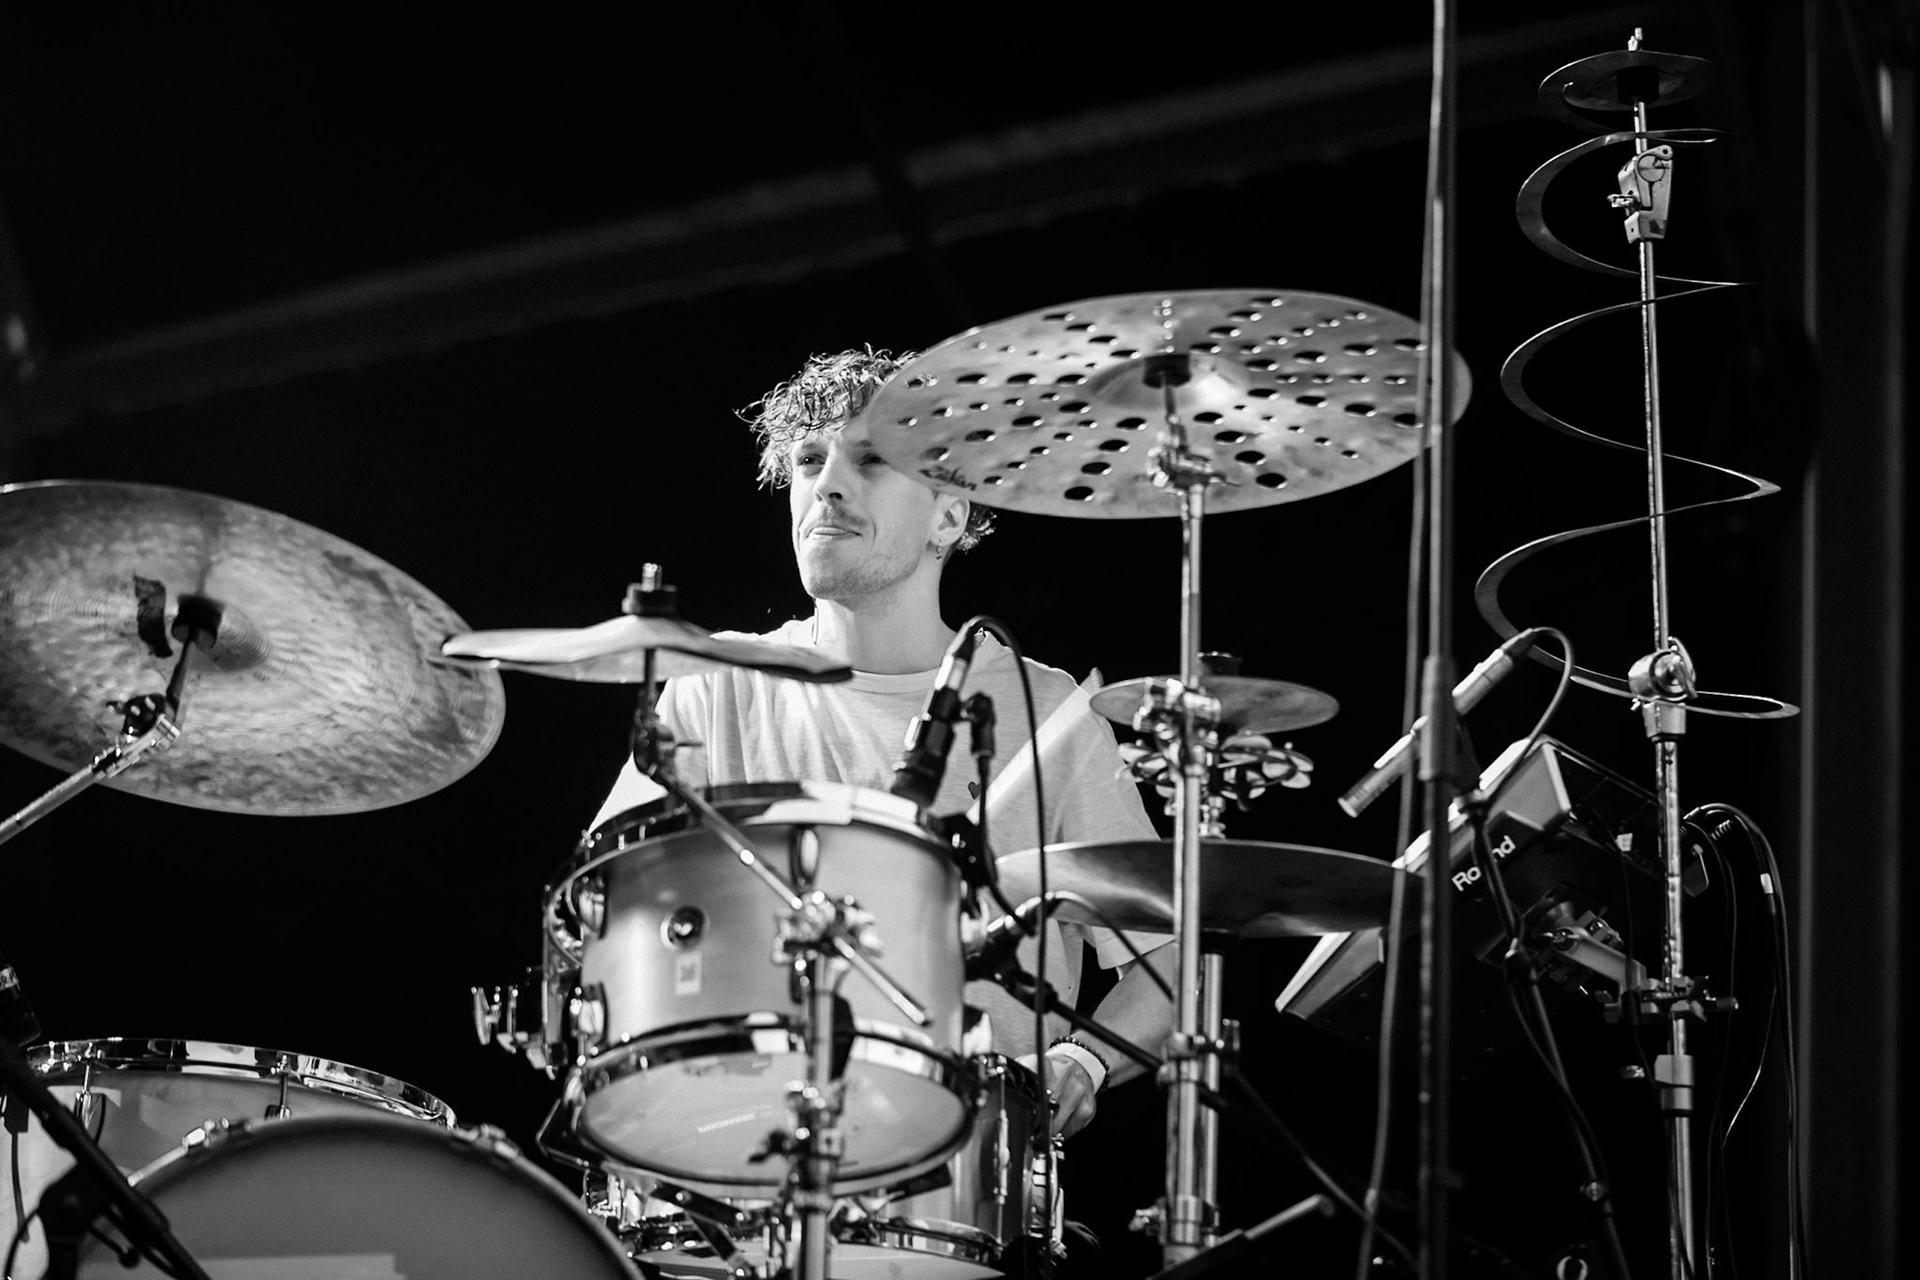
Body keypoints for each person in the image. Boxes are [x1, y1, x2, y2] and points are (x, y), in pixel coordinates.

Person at [593, 348, 1175, 1142]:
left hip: (967, 1173)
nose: (826, 484)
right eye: (808, 461)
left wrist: (1081, 1062)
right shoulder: (715, 683)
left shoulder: (1049, 712)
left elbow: (1168, 965)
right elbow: (604, 909)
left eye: (870, 461)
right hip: (739, 1139)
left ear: (950, 515)